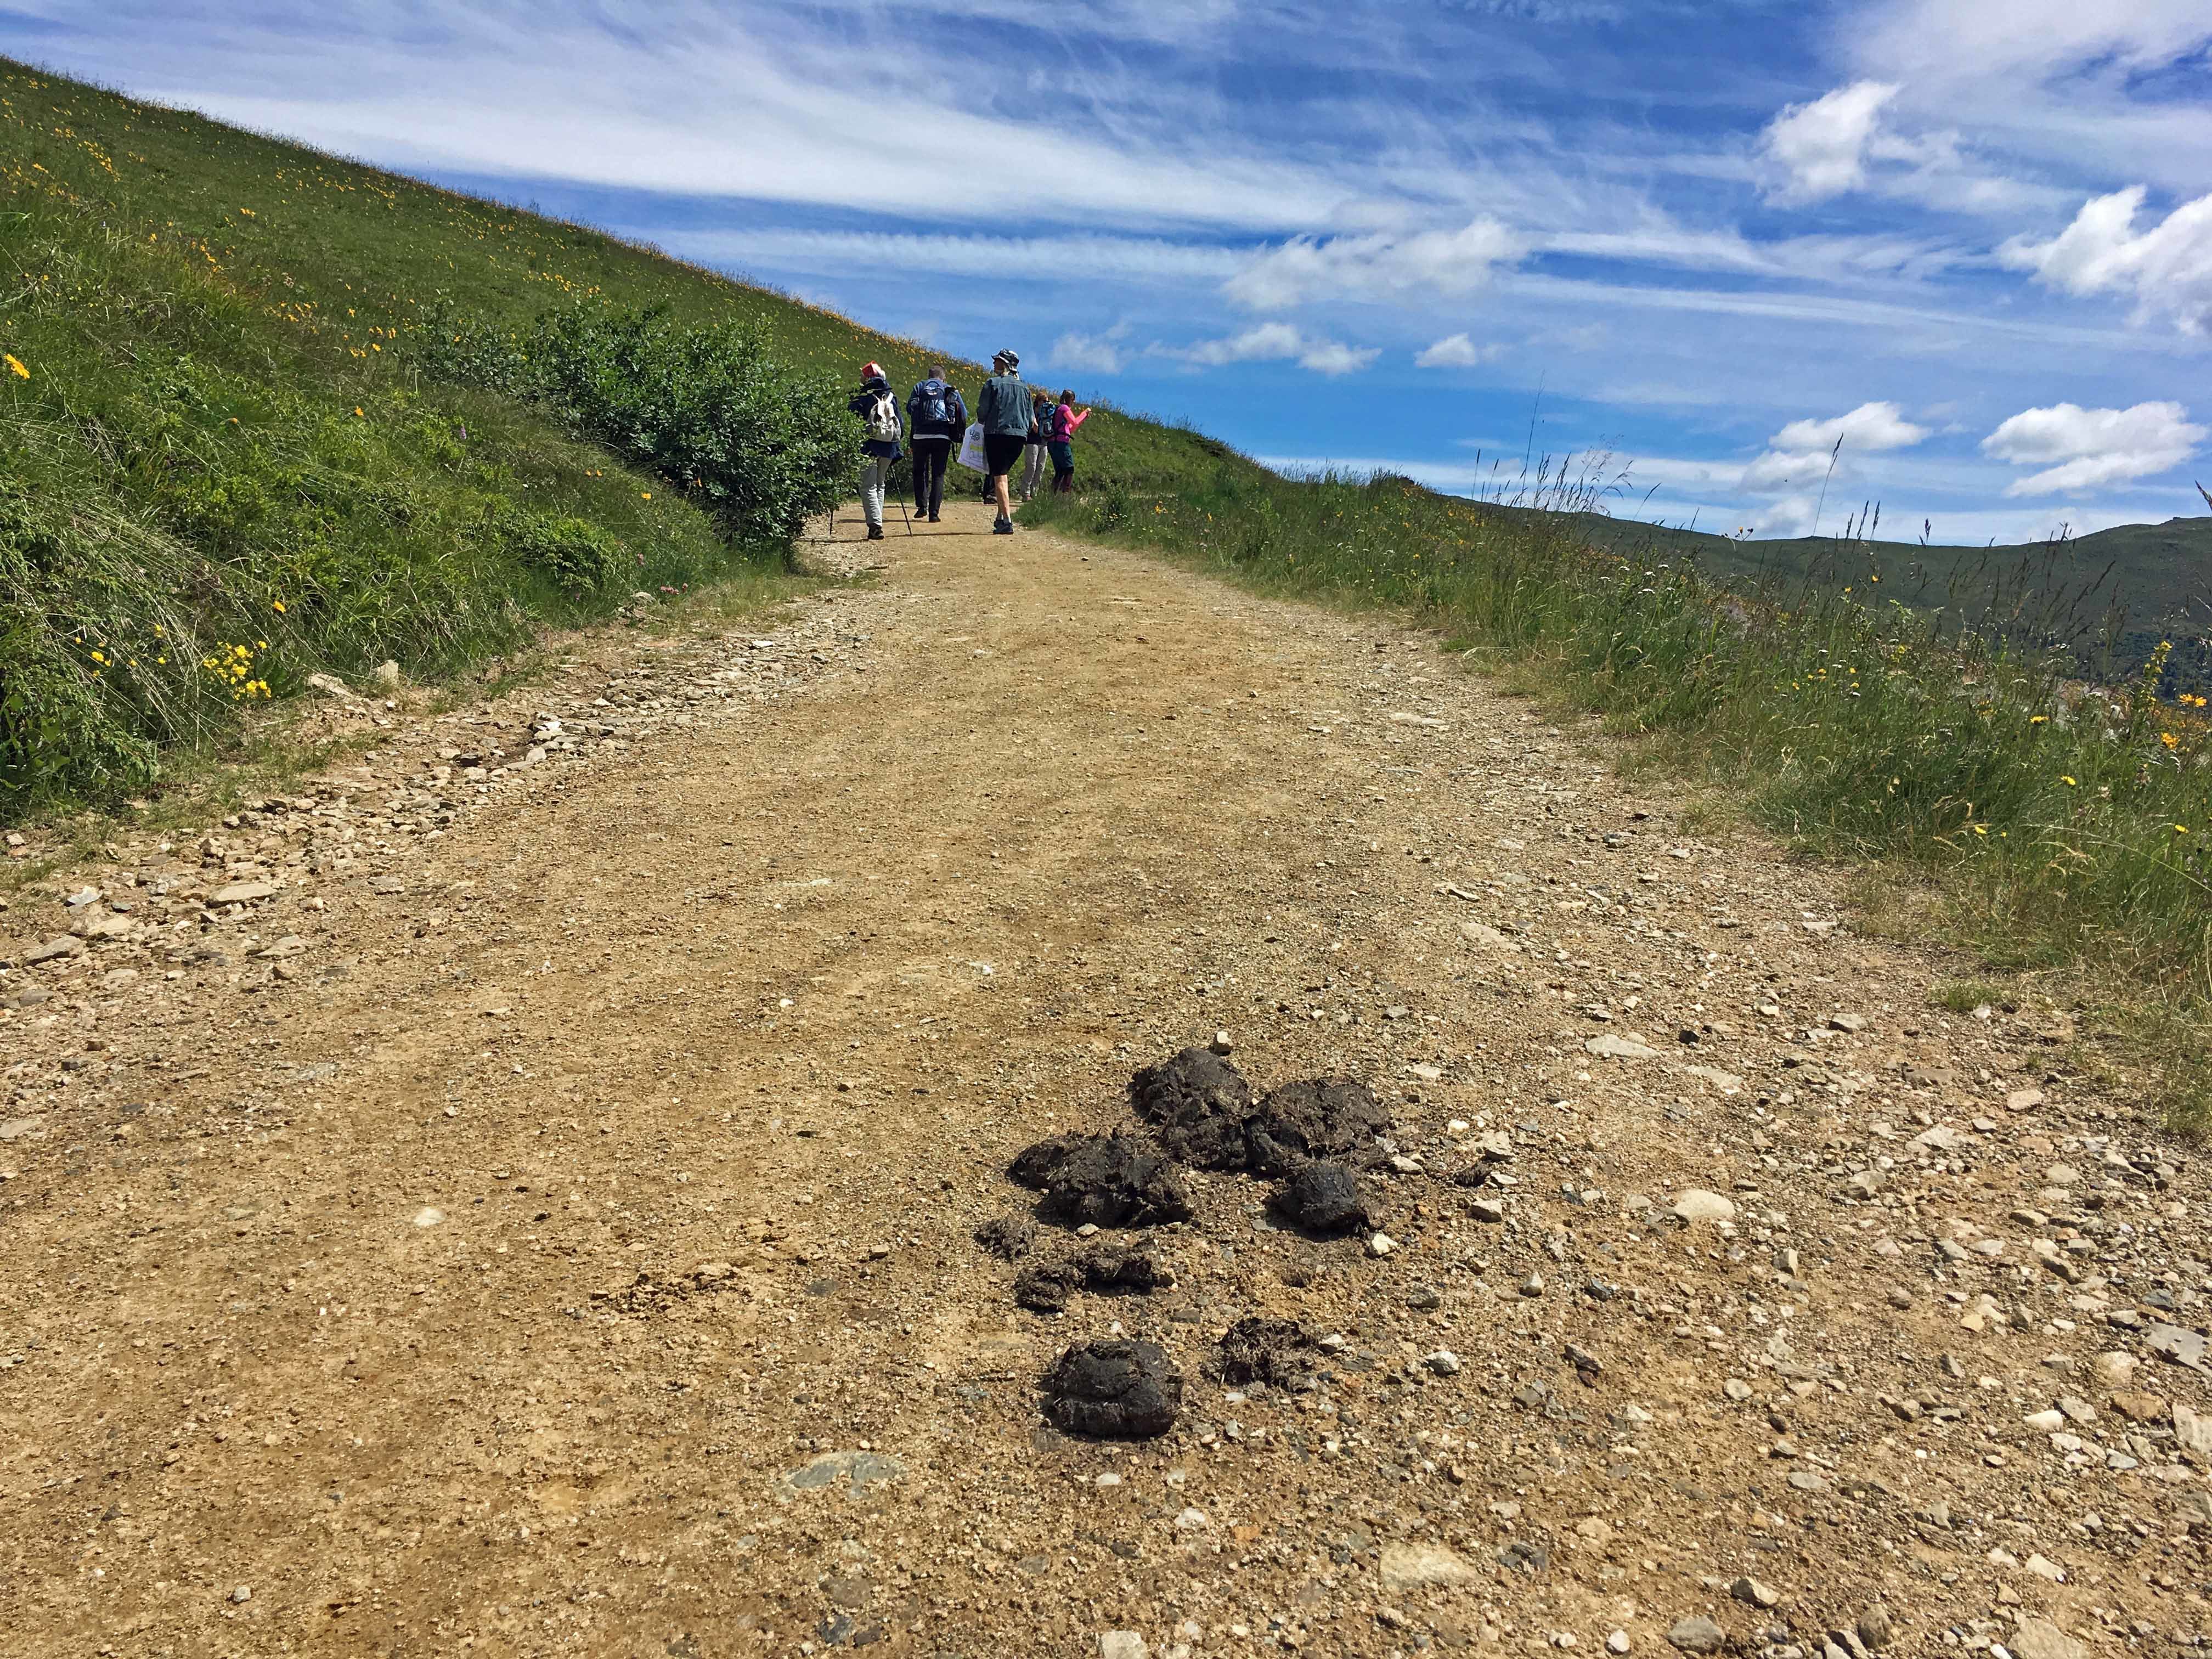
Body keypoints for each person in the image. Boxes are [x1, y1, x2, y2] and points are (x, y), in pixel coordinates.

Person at [975, 349, 1034, 535]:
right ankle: (1000, 517)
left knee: (999, 477)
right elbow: (1032, 419)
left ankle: (1007, 522)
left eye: (997, 361)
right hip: (1019, 436)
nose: (994, 364)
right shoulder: (1025, 388)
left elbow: (982, 412)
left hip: (997, 432)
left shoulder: (992, 383)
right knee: (1004, 474)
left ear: (1005, 364)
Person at [847, 361, 902, 540]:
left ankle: (876, 526)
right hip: (889, 446)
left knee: (868, 486)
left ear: (868, 378)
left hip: (868, 445)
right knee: (880, 484)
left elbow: (851, 421)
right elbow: (901, 423)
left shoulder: (862, 397)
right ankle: (877, 523)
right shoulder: (892, 397)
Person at [905, 364, 965, 523]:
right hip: (942, 437)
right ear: (943, 377)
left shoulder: (919, 387)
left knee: (919, 471)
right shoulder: (948, 389)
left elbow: (909, 408)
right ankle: (934, 513)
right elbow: (963, 413)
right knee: (938, 474)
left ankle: (921, 506)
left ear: (929, 375)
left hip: (920, 436)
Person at [1047, 389, 1091, 494]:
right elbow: (1075, 422)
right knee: (1069, 469)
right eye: (1073, 399)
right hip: (1061, 444)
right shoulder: (1064, 408)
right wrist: (1085, 413)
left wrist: (1082, 419)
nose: (1074, 402)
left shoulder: (1058, 409)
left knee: (1060, 471)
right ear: (1069, 399)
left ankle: (1051, 496)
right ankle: (1064, 494)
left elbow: (1070, 429)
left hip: (1053, 443)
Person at [1019, 388, 1053, 503]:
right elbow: (1033, 427)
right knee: (1031, 467)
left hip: (1044, 443)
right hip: (1032, 441)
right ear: (1038, 401)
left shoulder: (1049, 413)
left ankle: (1035, 492)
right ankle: (1026, 492)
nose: (1045, 404)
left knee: (1040, 468)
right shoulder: (1032, 412)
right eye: (1044, 401)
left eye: (1047, 401)